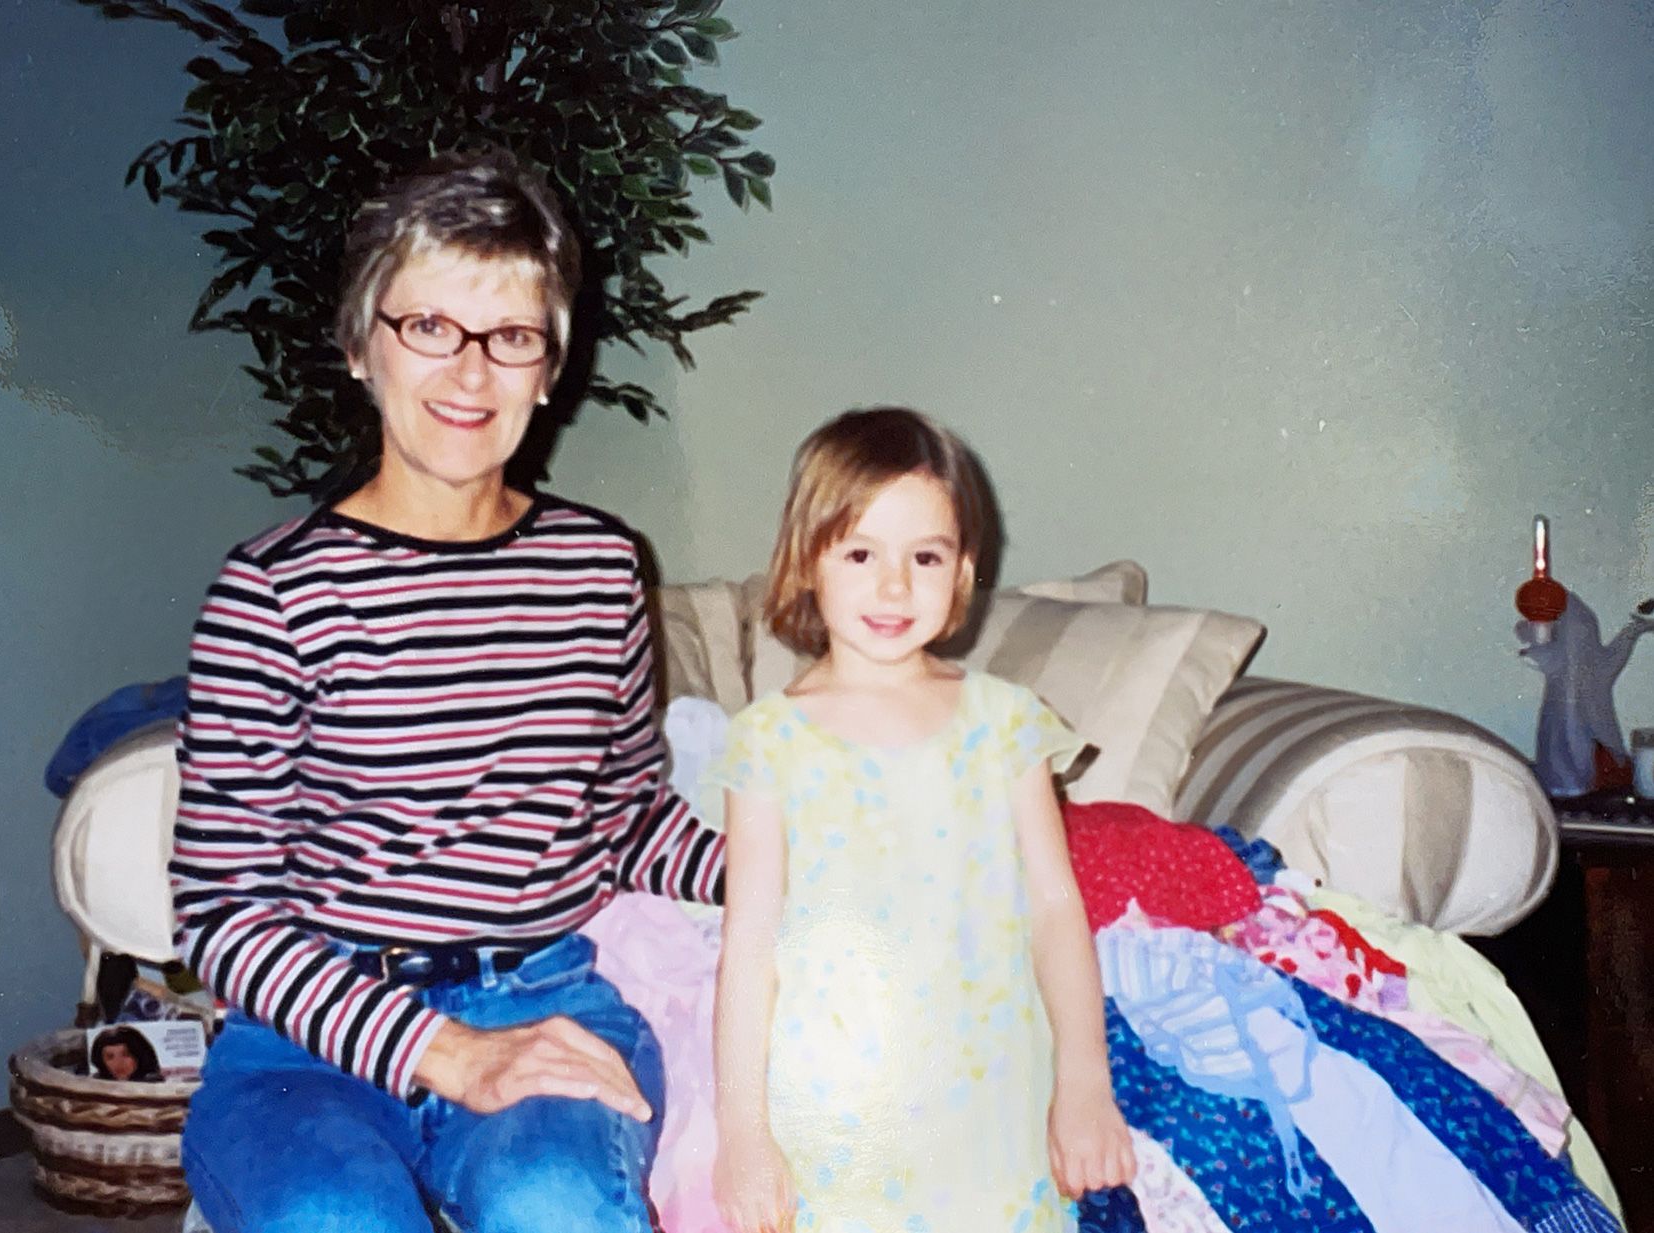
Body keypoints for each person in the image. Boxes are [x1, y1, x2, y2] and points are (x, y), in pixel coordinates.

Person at [170, 150, 725, 1233]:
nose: (470, 376)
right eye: (429, 327)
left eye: (510, 337)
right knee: (333, 1216)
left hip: (546, 999)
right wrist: (445, 1051)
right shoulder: (271, 590)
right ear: (357, 347)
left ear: (549, 368)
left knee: (554, 1201)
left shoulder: (599, 568)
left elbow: (619, 820)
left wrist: (787, 864)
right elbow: (222, 912)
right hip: (303, 1043)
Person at [709, 408, 1136, 1232]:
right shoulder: (768, 739)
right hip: (838, 1121)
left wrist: (1085, 1080)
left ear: (963, 571)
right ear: (807, 561)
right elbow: (750, 946)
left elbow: (1054, 907)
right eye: (861, 552)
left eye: (926, 556)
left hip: (994, 1113)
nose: (894, 586)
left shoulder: (1004, 719)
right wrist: (743, 1133)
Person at [90, 1024, 163, 1083]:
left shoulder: (154, 1084)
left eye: (126, 1054)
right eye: (110, 1057)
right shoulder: (96, 1084)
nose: (118, 1063)